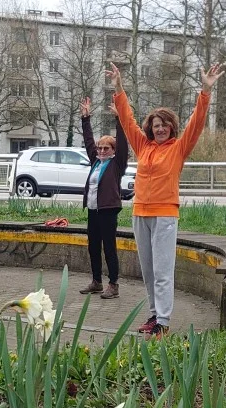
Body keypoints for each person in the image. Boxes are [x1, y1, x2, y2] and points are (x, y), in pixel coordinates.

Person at [109, 62, 224, 337]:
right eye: (156, 125)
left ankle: (163, 321)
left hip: (164, 215)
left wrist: (205, 91)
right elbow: (127, 121)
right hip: (140, 213)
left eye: (164, 125)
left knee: (163, 271)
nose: (160, 129)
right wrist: (119, 88)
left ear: (172, 127)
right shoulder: (143, 146)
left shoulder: (178, 148)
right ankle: (153, 315)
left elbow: (196, 123)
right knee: (147, 271)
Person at [78, 97, 128, 300]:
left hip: (108, 211)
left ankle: (113, 284)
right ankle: (96, 281)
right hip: (93, 210)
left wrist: (119, 119)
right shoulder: (96, 162)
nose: (101, 150)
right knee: (93, 247)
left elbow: (123, 142)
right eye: (100, 148)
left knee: (109, 248)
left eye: (106, 148)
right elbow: (89, 140)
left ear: (113, 151)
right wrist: (85, 118)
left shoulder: (117, 164)